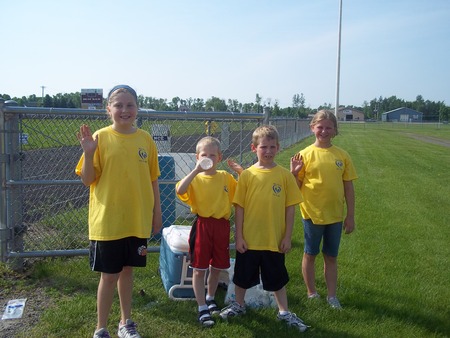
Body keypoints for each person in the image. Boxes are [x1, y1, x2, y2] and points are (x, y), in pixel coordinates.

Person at [75, 85, 162, 338]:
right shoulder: (100, 138)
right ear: (108, 109)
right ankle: (101, 328)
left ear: (137, 108)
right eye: (119, 105)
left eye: (130, 105)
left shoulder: (145, 139)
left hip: (136, 219)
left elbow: (153, 179)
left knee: (127, 272)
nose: (124, 110)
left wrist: (157, 213)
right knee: (109, 276)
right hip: (108, 221)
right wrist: (89, 154)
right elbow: (87, 180)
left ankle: (126, 323)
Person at [219, 125, 309, 333]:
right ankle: (238, 305)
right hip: (249, 240)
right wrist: (238, 236)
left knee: (277, 278)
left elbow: (290, 209)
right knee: (242, 276)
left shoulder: (285, 176)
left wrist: (287, 237)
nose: (268, 151)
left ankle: (284, 312)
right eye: (263, 147)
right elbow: (239, 208)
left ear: (278, 148)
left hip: (274, 241)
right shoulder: (247, 176)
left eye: (272, 147)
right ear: (254, 148)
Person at [290, 109, 357, 309]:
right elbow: (295, 189)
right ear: (312, 128)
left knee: (331, 256)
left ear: (335, 130)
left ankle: (331, 296)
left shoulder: (342, 156)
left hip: (335, 216)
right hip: (311, 214)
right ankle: (311, 292)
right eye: (320, 127)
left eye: (329, 127)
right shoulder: (304, 155)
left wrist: (350, 216)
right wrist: (294, 174)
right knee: (310, 254)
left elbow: (348, 187)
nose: (324, 131)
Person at [175, 136, 242, 327]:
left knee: (217, 267)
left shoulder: (224, 177)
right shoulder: (195, 178)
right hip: (203, 226)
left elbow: (241, 191)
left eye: (213, 155)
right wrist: (196, 170)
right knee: (199, 269)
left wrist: (239, 173)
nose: (208, 158)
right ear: (197, 157)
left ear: (219, 157)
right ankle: (202, 306)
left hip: (221, 226)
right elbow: (180, 190)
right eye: (204, 155)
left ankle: (210, 297)